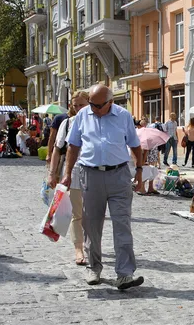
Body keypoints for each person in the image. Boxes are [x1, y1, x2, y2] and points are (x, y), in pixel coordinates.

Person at [62, 84, 145, 290]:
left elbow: (135, 144)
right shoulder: (83, 115)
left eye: (99, 105)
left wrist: (140, 170)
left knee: (122, 224)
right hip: (90, 175)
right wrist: (66, 174)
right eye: (92, 104)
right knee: (91, 225)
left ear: (111, 102)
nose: (95, 109)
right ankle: (93, 267)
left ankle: (125, 274)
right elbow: (73, 145)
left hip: (119, 175)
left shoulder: (123, 116)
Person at [47, 91, 90, 265]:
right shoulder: (67, 123)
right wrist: (52, 173)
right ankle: (78, 248)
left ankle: (91, 244)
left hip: (96, 174)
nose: (78, 108)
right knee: (77, 214)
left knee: (94, 214)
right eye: (75, 105)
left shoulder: (98, 122)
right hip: (73, 172)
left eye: (82, 104)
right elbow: (58, 149)